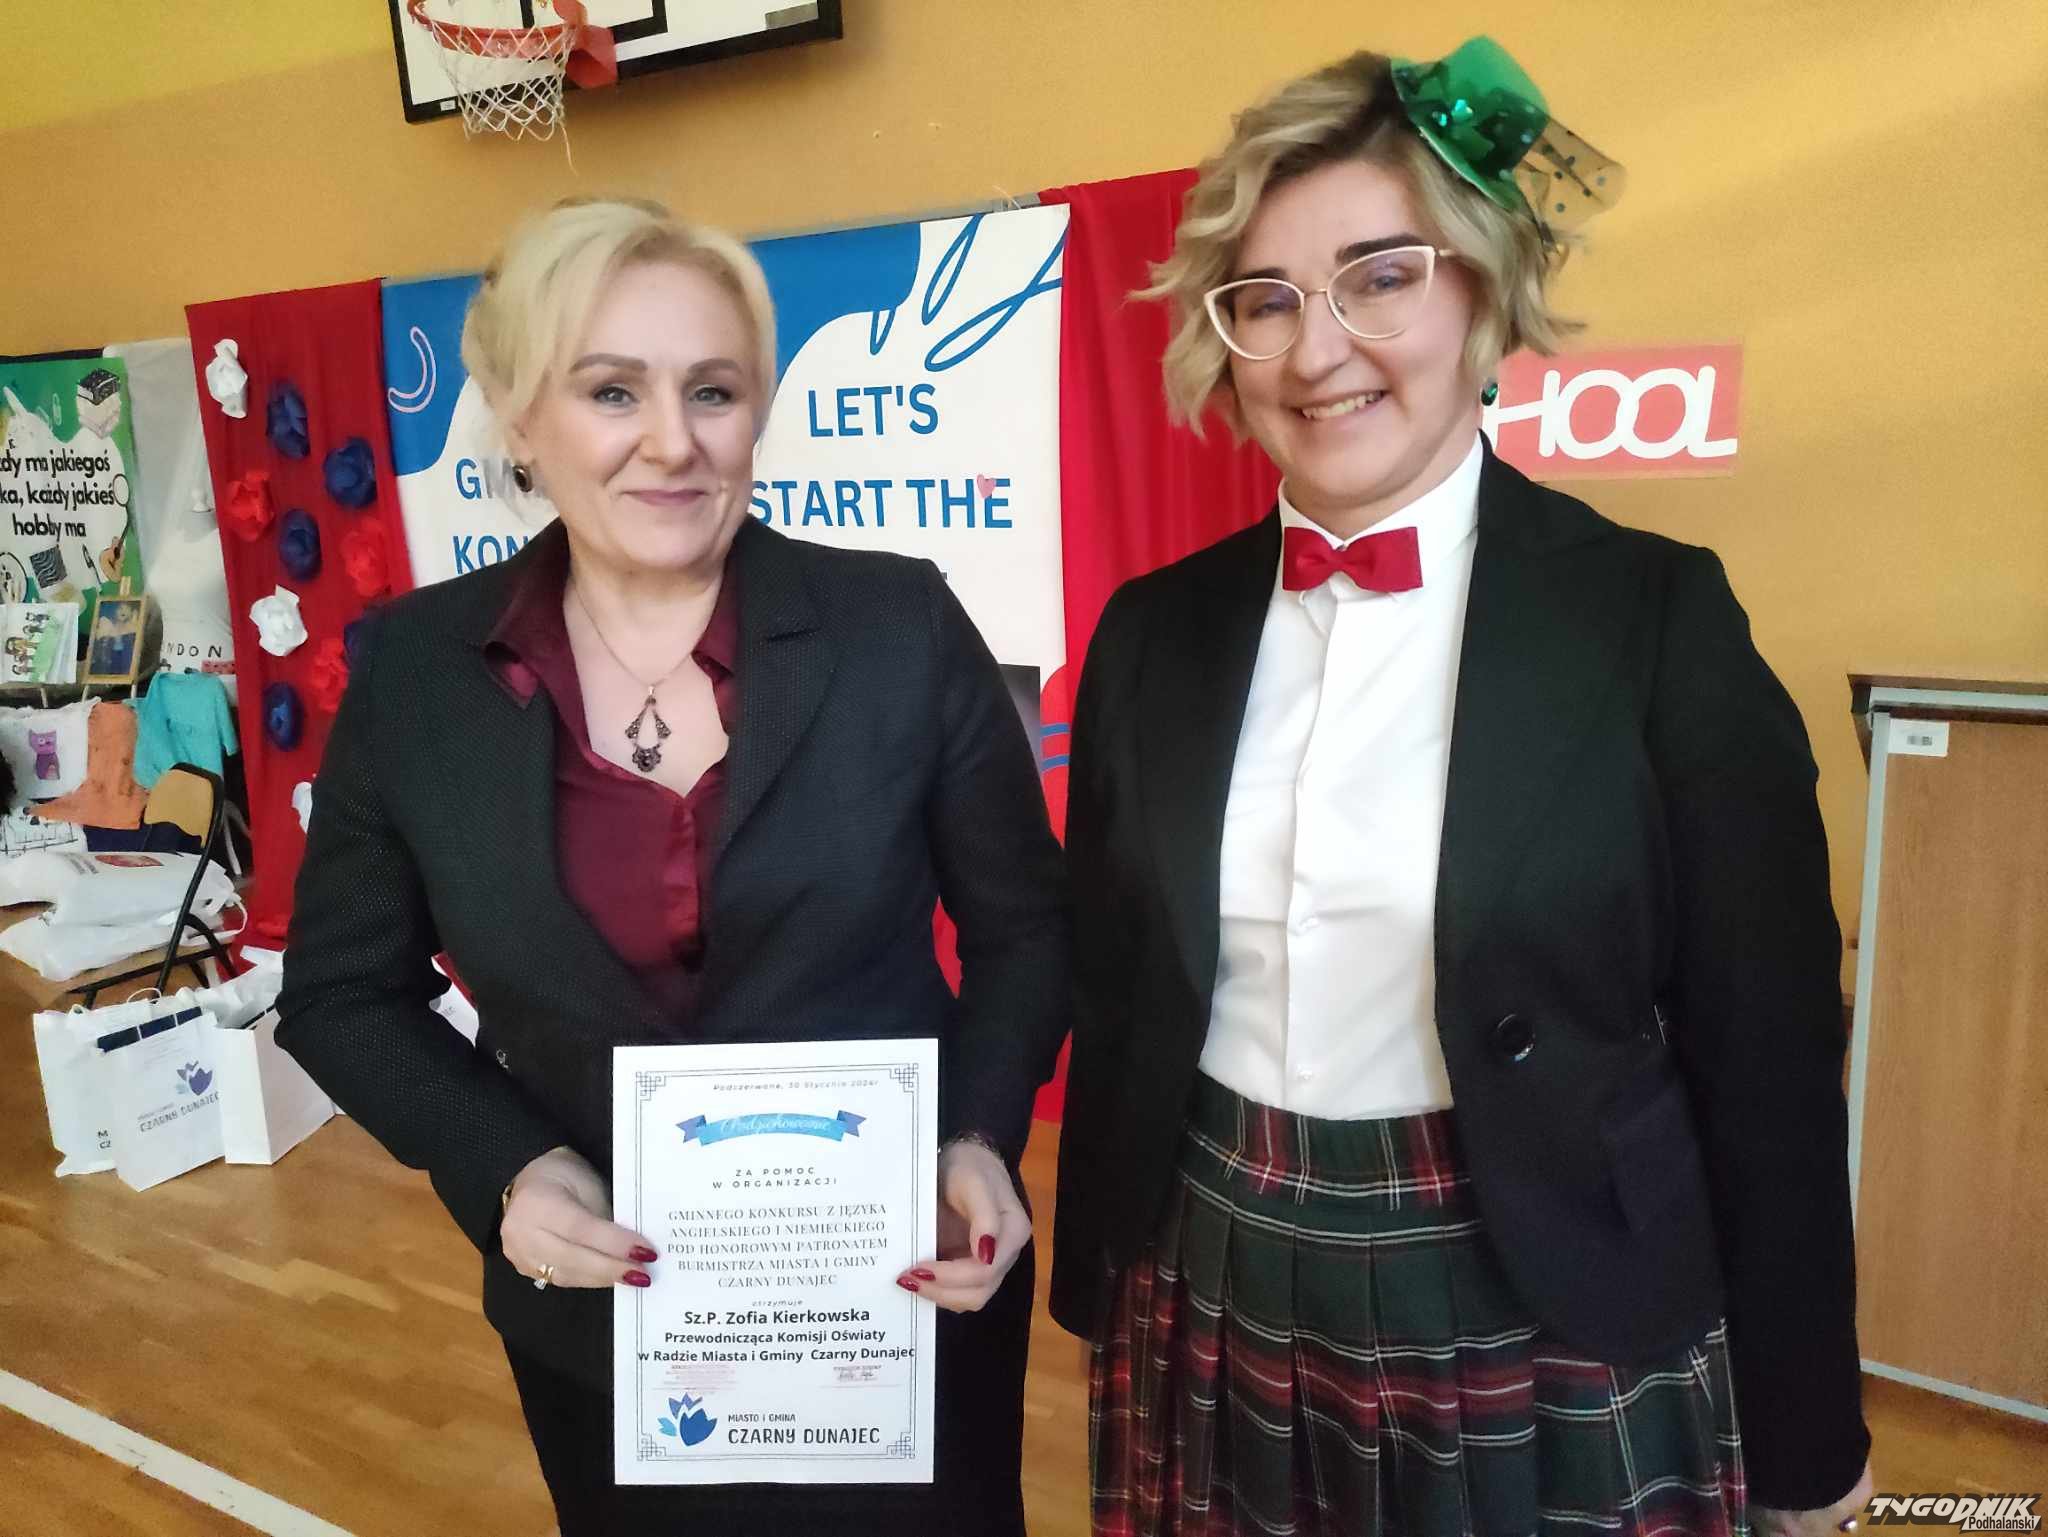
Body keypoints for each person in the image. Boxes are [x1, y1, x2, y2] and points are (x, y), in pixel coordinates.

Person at [1050, 39, 1872, 1537]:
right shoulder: (1149, 631)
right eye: (1267, 299)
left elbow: (1768, 1057)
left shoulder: (1657, 620)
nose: (1318, 351)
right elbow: (1113, 991)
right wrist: (1086, 1265)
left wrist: (1809, 1428)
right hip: (1208, 1269)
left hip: (1547, 1295)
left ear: (1483, 295)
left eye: (1380, 277)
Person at [278, 197, 1067, 1537]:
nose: (672, 440)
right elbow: (343, 994)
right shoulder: (415, 673)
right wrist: (508, 1165)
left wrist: (979, 1134)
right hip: (605, 1320)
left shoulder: (897, 624)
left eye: (713, 390)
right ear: (520, 419)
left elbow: (1027, 930)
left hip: (895, 1288)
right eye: (611, 391)